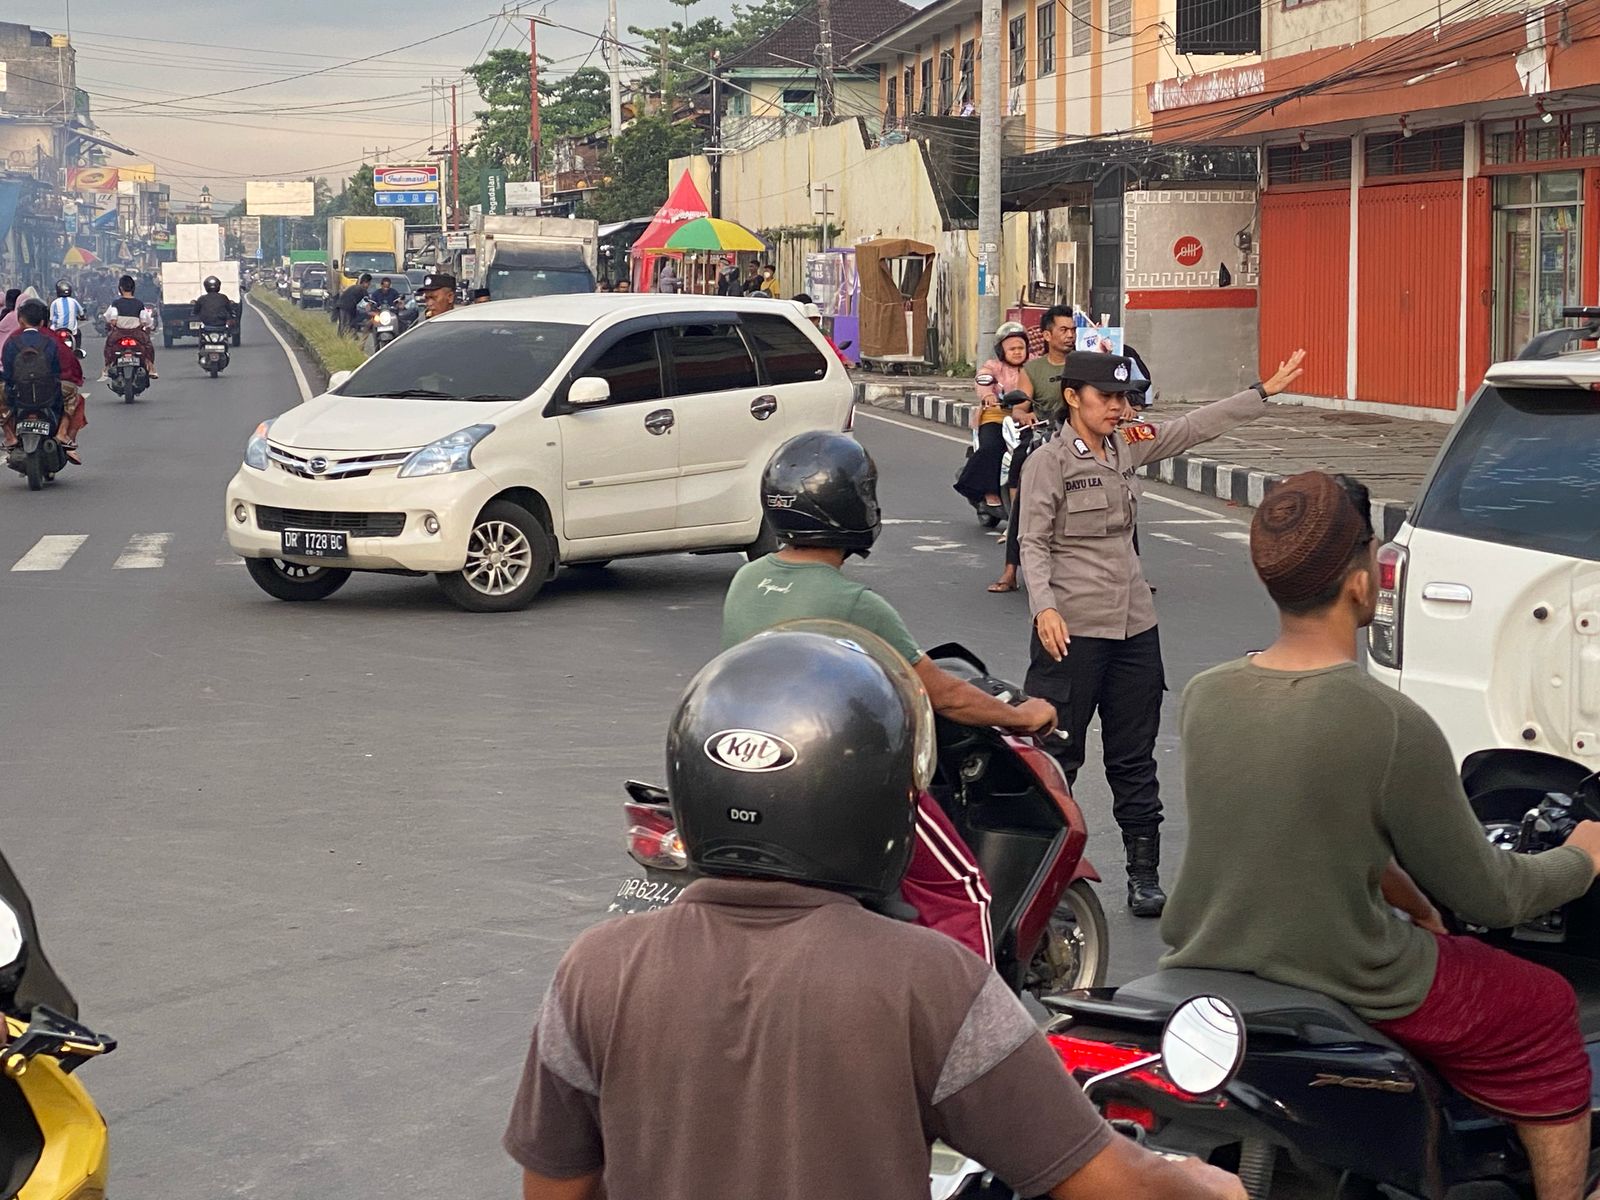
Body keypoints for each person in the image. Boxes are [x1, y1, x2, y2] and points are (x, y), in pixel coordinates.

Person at [504, 628, 1246, 1200]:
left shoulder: (594, 970)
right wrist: (1204, 1184)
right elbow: (1099, 1179)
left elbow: (555, 1188)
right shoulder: (928, 980)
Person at [1165, 469, 1600, 1200]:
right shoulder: (1388, 720)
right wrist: (1580, 858)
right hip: (1346, 971)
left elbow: (1301, 825)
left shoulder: (1207, 695)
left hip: (1206, 957)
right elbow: (1492, 896)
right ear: (1361, 582)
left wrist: (1411, 900)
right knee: (1545, 1005)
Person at [723, 432, 1058, 962]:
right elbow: (945, 694)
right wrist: (1020, 716)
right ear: (848, 505)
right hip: (835, 786)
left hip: (746, 776)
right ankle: (973, 1010)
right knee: (962, 892)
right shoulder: (855, 603)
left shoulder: (747, 580)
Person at [1018, 347, 1307, 919]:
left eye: (1123, 398)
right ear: (1073, 398)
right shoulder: (1048, 463)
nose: (1118, 408)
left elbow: (1191, 428)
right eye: (1106, 398)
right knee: (1059, 757)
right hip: (1072, 631)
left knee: (1134, 758)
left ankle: (1143, 876)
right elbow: (1033, 542)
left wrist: (1262, 392)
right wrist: (1043, 609)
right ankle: (1047, 878)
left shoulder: (1128, 443)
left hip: (1134, 627)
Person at [956, 322, 1030, 526]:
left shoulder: (1033, 366)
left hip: (1026, 417)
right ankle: (989, 490)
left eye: (1021, 348)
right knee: (992, 447)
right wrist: (988, 395)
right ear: (1001, 351)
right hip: (996, 415)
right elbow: (983, 381)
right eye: (1012, 348)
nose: (1017, 352)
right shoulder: (993, 367)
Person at [2, 298, 83, 461]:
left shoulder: (12, 341)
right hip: (48, 393)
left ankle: (10, 436)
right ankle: (62, 433)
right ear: (42, 321)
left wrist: (10, 388)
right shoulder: (50, 341)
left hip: (19, 393)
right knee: (73, 395)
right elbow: (57, 370)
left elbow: (7, 370)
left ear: (20, 320)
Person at [990, 392, 1041, 595]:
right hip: (1044, 433)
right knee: (1022, 461)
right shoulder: (1034, 373)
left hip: (1092, 439)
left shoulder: (1094, 377)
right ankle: (1010, 572)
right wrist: (1025, 415)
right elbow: (1019, 408)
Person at [1022, 305, 1076, 419]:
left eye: (1073, 330)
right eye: (1064, 330)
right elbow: (1019, 409)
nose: (1070, 335)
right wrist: (1024, 416)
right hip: (1046, 428)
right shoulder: (1031, 370)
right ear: (1047, 335)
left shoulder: (1085, 364)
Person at [100, 275, 157, 381]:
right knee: (148, 347)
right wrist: (149, 327)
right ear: (133, 288)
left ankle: (107, 368)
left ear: (120, 288)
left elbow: (109, 318)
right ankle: (151, 368)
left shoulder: (115, 304)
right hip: (137, 334)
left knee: (109, 346)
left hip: (118, 334)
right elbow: (145, 321)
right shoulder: (139, 304)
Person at [49, 281, 83, 348]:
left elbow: (51, 318)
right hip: (71, 330)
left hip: (56, 329)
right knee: (78, 333)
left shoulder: (54, 303)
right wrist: (82, 316)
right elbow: (81, 312)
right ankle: (78, 349)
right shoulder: (74, 301)